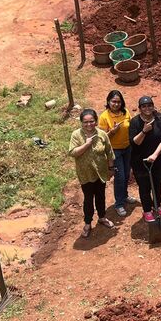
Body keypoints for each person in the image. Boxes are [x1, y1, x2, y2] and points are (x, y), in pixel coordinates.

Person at [68, 108, 115, 238]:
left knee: (101, 196)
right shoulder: (76, 135)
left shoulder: (102, 135)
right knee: (88, 199)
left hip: (100, 173)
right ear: (81, 123)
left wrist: (111, 169)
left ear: (96, 121)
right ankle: (88, 223)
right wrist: (86, 145)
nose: (89, 124)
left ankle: (102, 217)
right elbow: (72, 152)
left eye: (92, 121)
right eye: (85, 122)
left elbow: (109, 153)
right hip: (85, 174)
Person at [128, 96, 161, 223]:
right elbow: (134, 142)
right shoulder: (135, 122)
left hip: (158, 159)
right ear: (140, 108)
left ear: (153, 106)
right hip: (140, 161)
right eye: (144, 106)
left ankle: (157, 206)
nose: (147, 108)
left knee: (157, 184)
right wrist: (144, 131)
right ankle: (147, 209)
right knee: (144, 186)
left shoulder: (160, 119)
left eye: (149, 105)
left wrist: (155, 155)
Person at [98, 90, 138, 216]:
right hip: (114, 150)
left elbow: (131, 126)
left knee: (126, 174)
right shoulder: (104, 117)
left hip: (127, 148)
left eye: (118, 102)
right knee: (119, 177)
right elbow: (102, 138)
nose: (116, 104)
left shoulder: (125, 113)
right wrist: (112, 132)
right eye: (113, 101)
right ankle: (119, 204)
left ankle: (125, 195)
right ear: (108, 102)